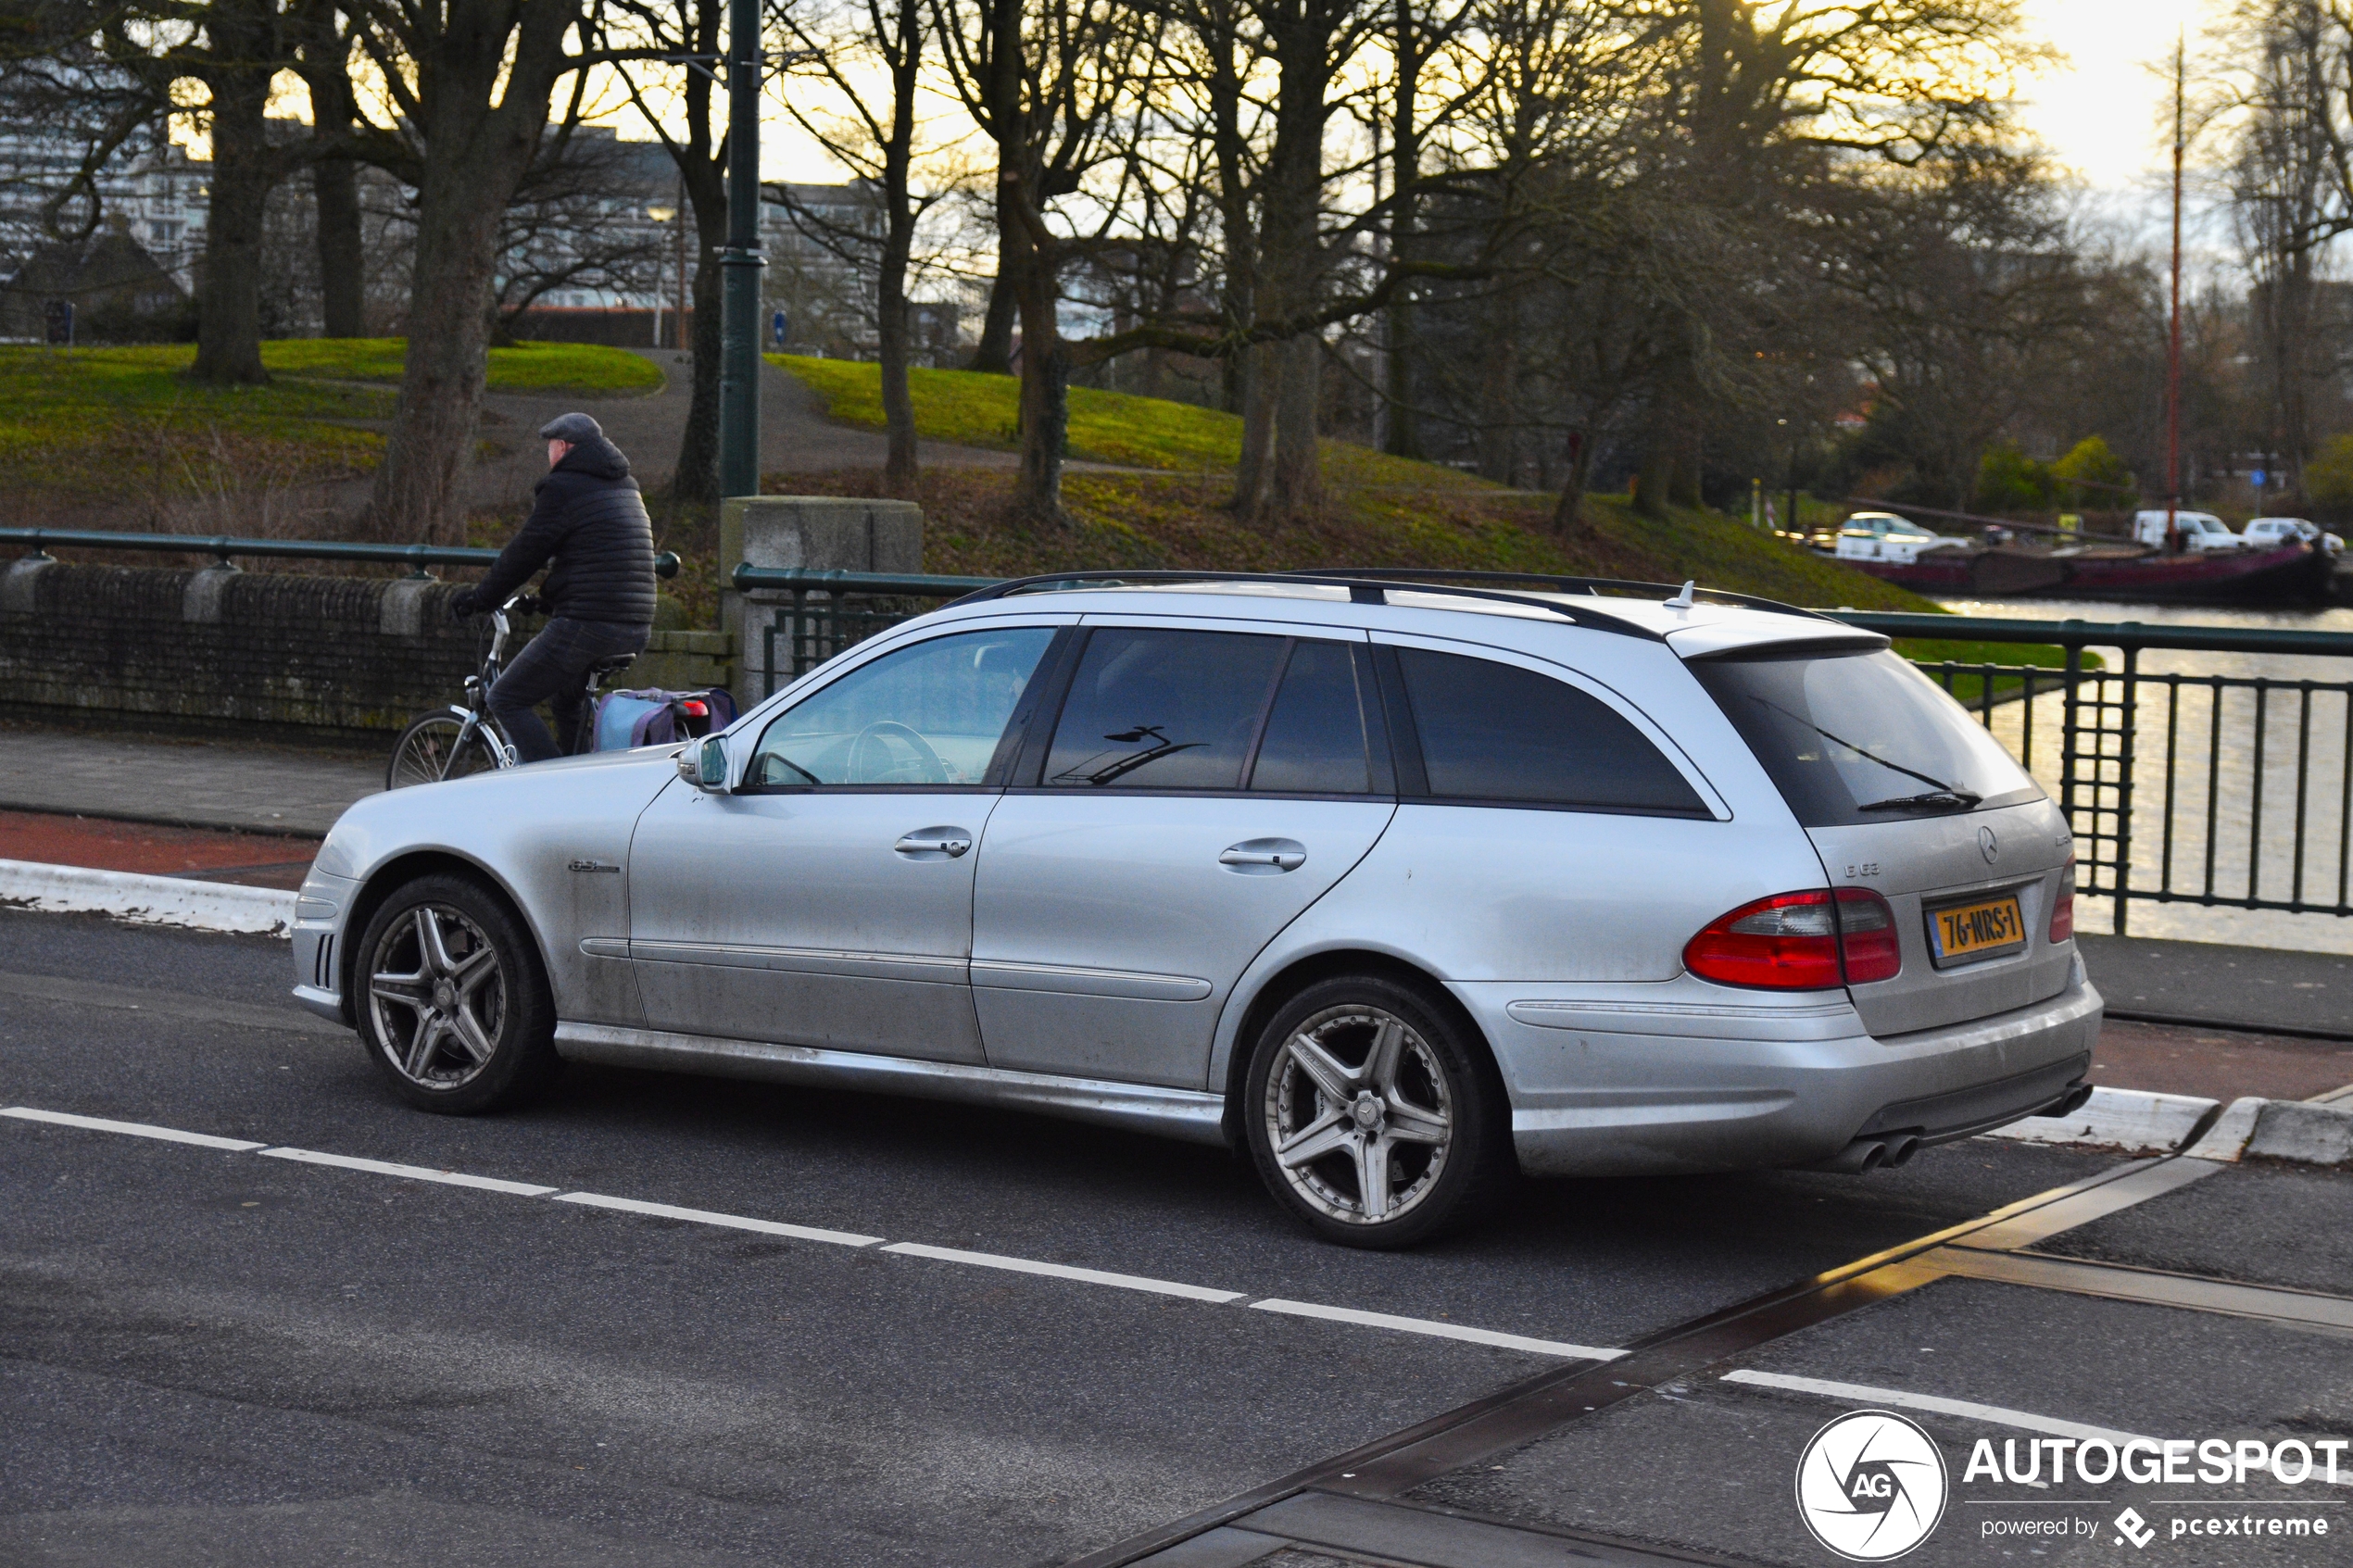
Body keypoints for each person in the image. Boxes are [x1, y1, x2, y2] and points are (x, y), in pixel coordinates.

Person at [447, 413, 657, 762]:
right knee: (566, 700)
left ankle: (549, 788)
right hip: (635, 625)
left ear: (563, 447)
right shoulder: (625, 486)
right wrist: (546, 601)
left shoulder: (564, 487)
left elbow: (527, 550)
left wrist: (481, 598)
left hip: (587, 625)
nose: (548, 454)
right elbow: (598, 561)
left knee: (505, 698)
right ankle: (582, 781)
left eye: (549, 446)